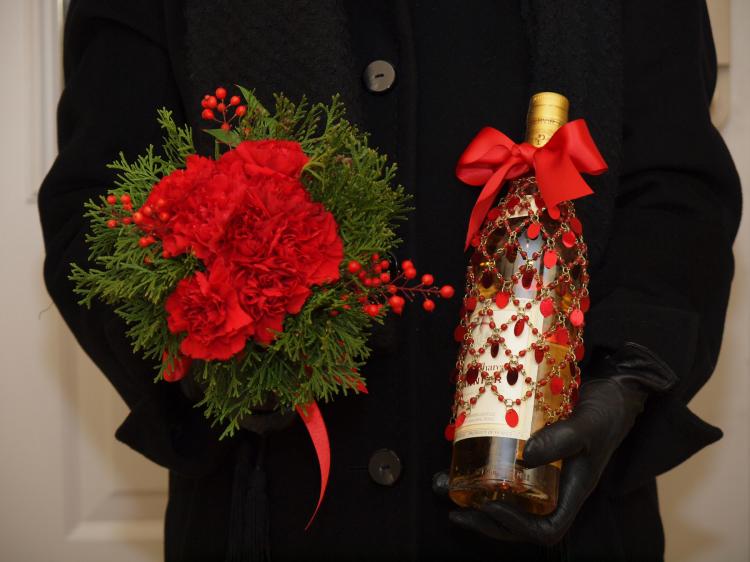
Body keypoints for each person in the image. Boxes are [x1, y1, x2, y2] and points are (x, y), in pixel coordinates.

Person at [38, 1, 741, 561]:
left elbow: (677, 187)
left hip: (564, 520)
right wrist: (209, 357)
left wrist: (627, 379)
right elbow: (98, 206)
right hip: (266, 519)